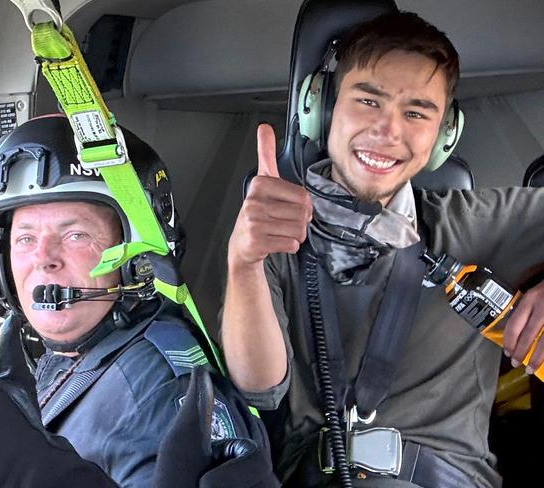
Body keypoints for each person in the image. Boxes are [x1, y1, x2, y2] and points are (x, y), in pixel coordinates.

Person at [221, 11, 544, 488]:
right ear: (322, 108)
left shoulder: (480, 222)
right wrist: (243, 262)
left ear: (443, 134)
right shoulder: (273, 229)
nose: (389, 130)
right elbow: (261, 388)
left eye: (416, 112)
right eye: (368, 101)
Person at [0, 114, 278, 488]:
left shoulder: (161, 394)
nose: (43, 258)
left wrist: (20, 472)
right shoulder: (75, 357)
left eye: (76, 235)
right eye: (25, 239)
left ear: (135, 258)